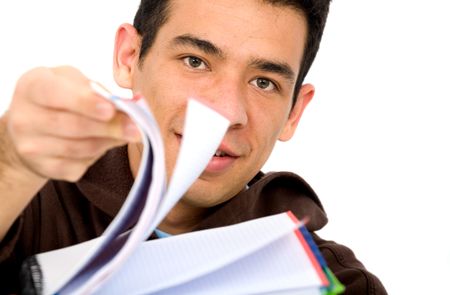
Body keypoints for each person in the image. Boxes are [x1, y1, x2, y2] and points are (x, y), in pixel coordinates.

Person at [0, 0, 387, 294]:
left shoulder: (334, 281)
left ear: (293, 112)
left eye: (264, 82)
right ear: (129, 58)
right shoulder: (26, 202)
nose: (227, 111)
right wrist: (13, 163)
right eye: (195, 61)